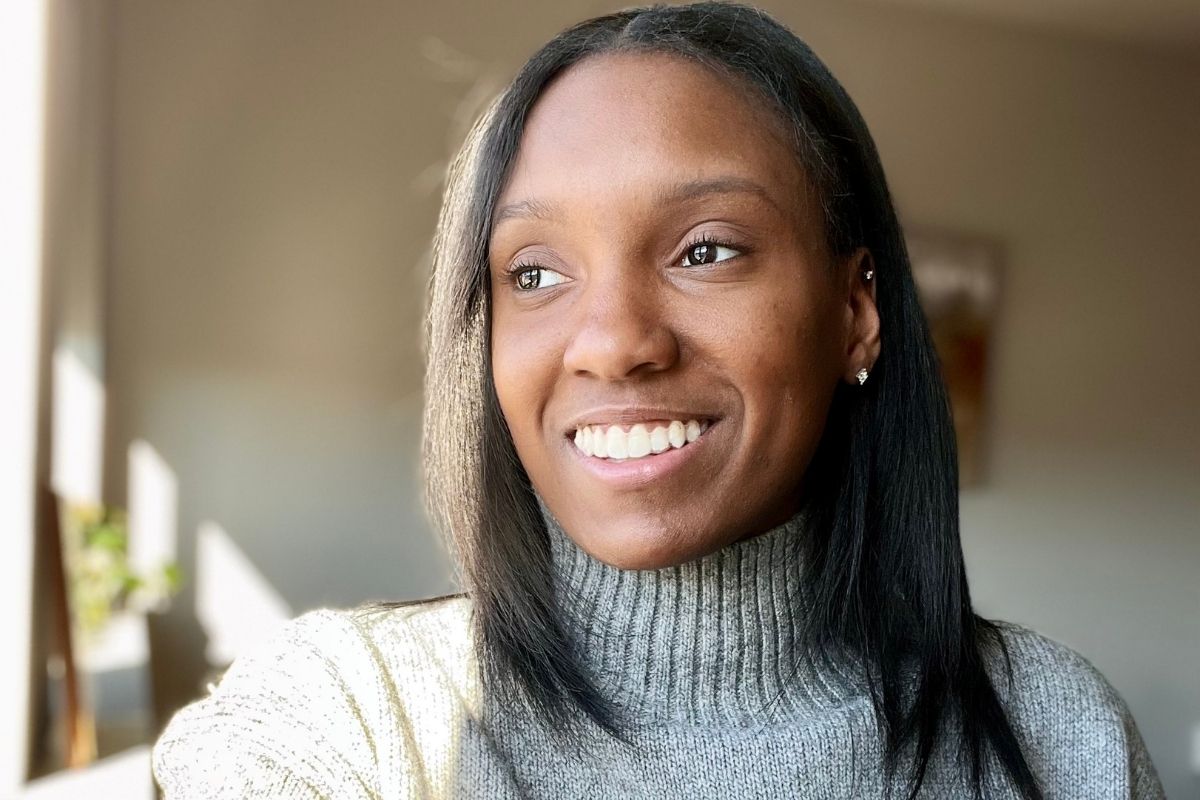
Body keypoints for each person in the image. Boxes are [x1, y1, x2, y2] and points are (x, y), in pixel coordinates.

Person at [153, 3, 1165, 798]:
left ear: (856, 311)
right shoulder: (351, 717)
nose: (614, 342)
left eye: (706, 249)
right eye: (537, 273)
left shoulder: (1059, 738)